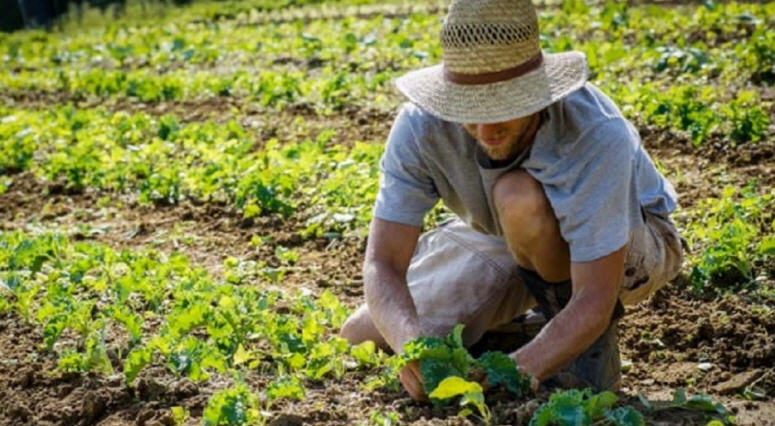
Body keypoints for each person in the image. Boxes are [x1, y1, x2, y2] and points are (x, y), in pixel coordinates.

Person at [340, 0, 684, 401]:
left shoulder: (593, 131)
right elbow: (383, 264)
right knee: (363, 333)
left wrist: (515, 371)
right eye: (469, 110)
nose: (485, 130)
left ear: (537, 93)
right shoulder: (421, 127)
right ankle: (526, 329)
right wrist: (410, 346)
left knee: (517, 195)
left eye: (503, 109)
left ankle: (581, 358)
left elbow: (594, 297)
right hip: (506, 236)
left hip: (628, 243)